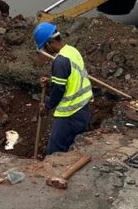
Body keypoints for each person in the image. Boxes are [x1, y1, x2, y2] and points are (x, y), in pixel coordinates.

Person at [33, 22, 93, 155]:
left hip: (70, 114)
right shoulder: (72, 51)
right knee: (74, 149)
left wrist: (47, 106)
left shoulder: (60, 62)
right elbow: (72, 78)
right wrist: (50, 82)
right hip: (83, 109)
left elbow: (58, 90)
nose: (46, 50)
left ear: (50, 43)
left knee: (54, 151)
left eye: (45, 47)